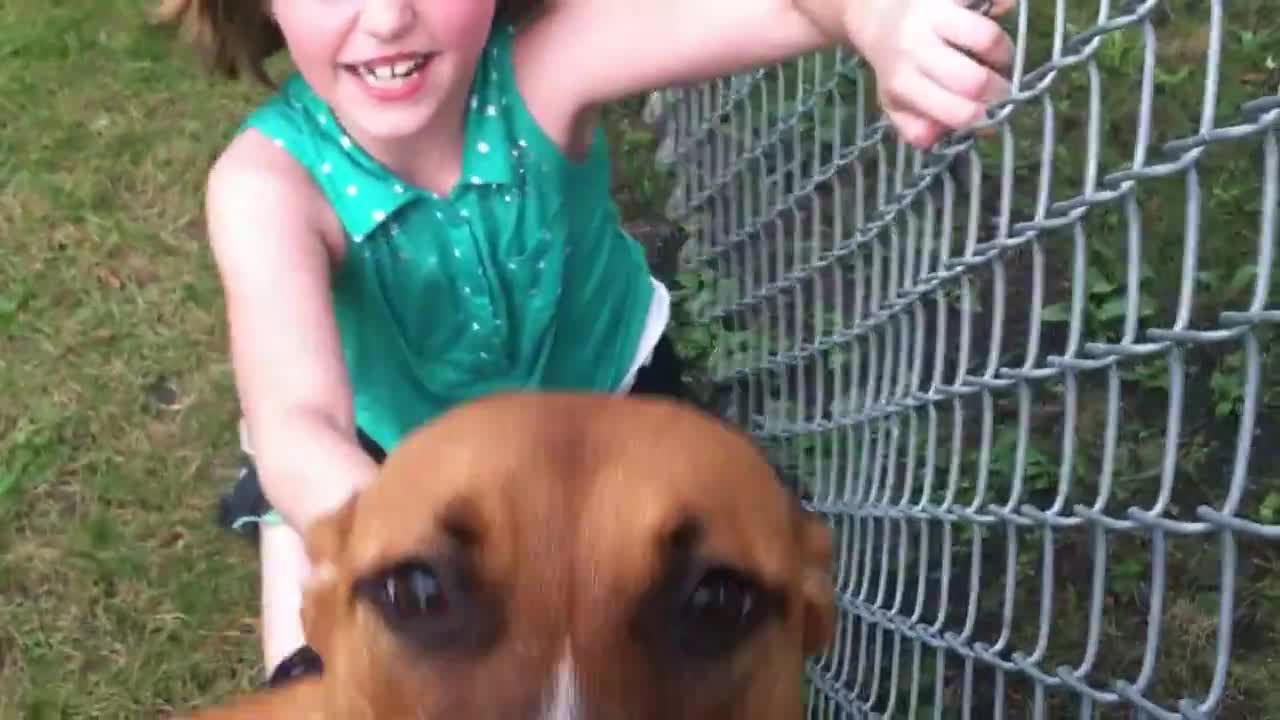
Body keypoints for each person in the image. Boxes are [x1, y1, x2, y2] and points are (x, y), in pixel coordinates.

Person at [156, 0, 1014, 688]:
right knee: (317, 670)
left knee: (649, 632)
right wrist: (422, 570)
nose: (386, 16)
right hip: (389, 465)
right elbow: (297, 425)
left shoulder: (542, 68)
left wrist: (881, 21)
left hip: (608, 408)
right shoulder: (268, 184)